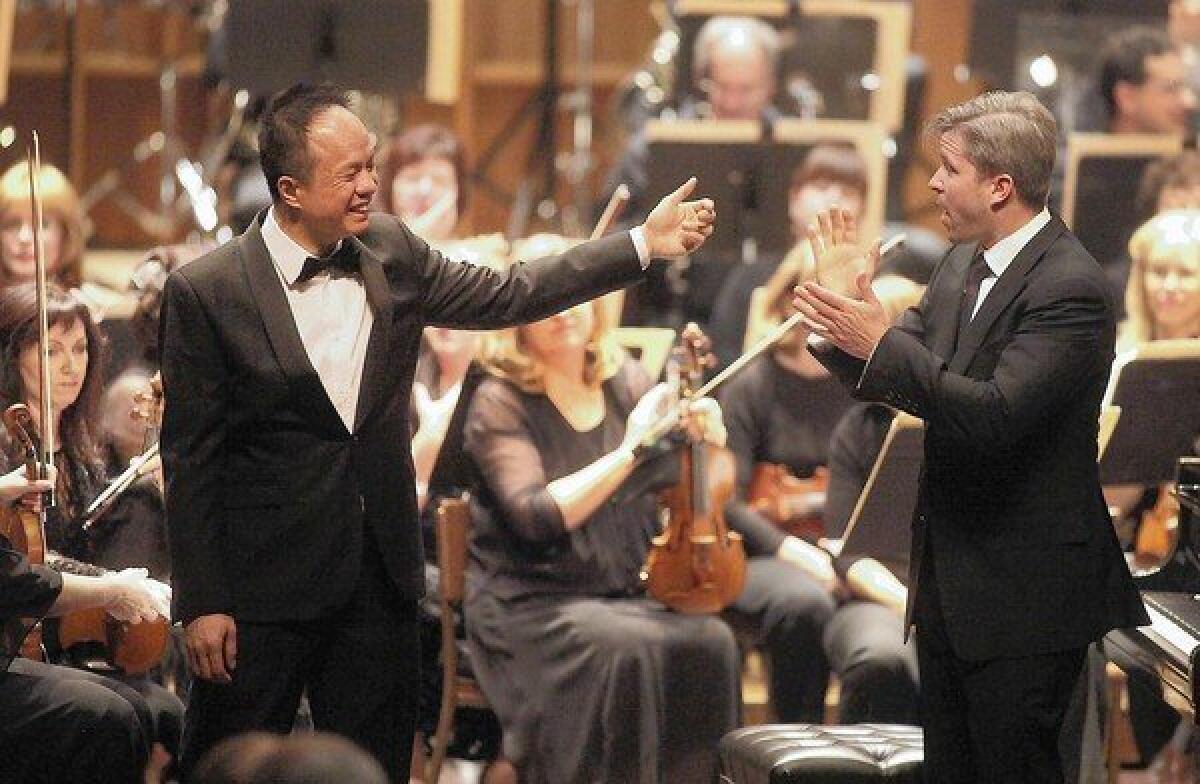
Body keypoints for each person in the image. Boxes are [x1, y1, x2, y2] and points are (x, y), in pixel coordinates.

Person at [158, 82, 716, 781]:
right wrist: (203, 601)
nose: (371, 185)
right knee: (223, 768)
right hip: (259, 590)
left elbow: (512, 292)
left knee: (376, 770)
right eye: (350, 174)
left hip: (376, 580)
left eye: (371, 165)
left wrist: (640, 244)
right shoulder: (208, 291)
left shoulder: (391, 250)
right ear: (291, 190)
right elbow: (191, 459)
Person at [792, 90, 1148, 782]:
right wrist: (845, 319)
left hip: (1026, 594)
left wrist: (879, 342)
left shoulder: (1070, 287)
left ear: (1000, 186)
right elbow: (903, 377)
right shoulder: (960, 263)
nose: (932, 184)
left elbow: (994, 416)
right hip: (952, 581)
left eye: (947, 169)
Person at [462, 293, 739, 783]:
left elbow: (671, 476)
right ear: (519, 324)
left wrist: (704, 437)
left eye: (573, 301)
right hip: (532, 602)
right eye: (546, 305)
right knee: (625, 649)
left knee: (712, 640)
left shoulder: (626, 381)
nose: (563, 312)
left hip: (623, 590)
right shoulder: (500, 400)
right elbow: (536, 515)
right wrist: (632, 448)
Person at [0, 283, 184, 770]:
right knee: (118, 714)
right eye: (51, 350)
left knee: (172, 710)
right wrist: (112, 588)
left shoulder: (84, 450)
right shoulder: (8, 446)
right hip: (32, 630)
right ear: (12, 357)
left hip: (73, 627)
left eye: (80, 348)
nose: (69, 365)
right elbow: (29, 562)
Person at [0, 161, 86, 290]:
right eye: (12, 224)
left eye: (42, 224)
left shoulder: (90, 307)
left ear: (66, 234)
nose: (24, 237)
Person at [377, 123, 466, 244]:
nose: (425, 190)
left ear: (458, 191)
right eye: (413, 178)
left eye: (439, 180)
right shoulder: (361, 253)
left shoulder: (488, 256)